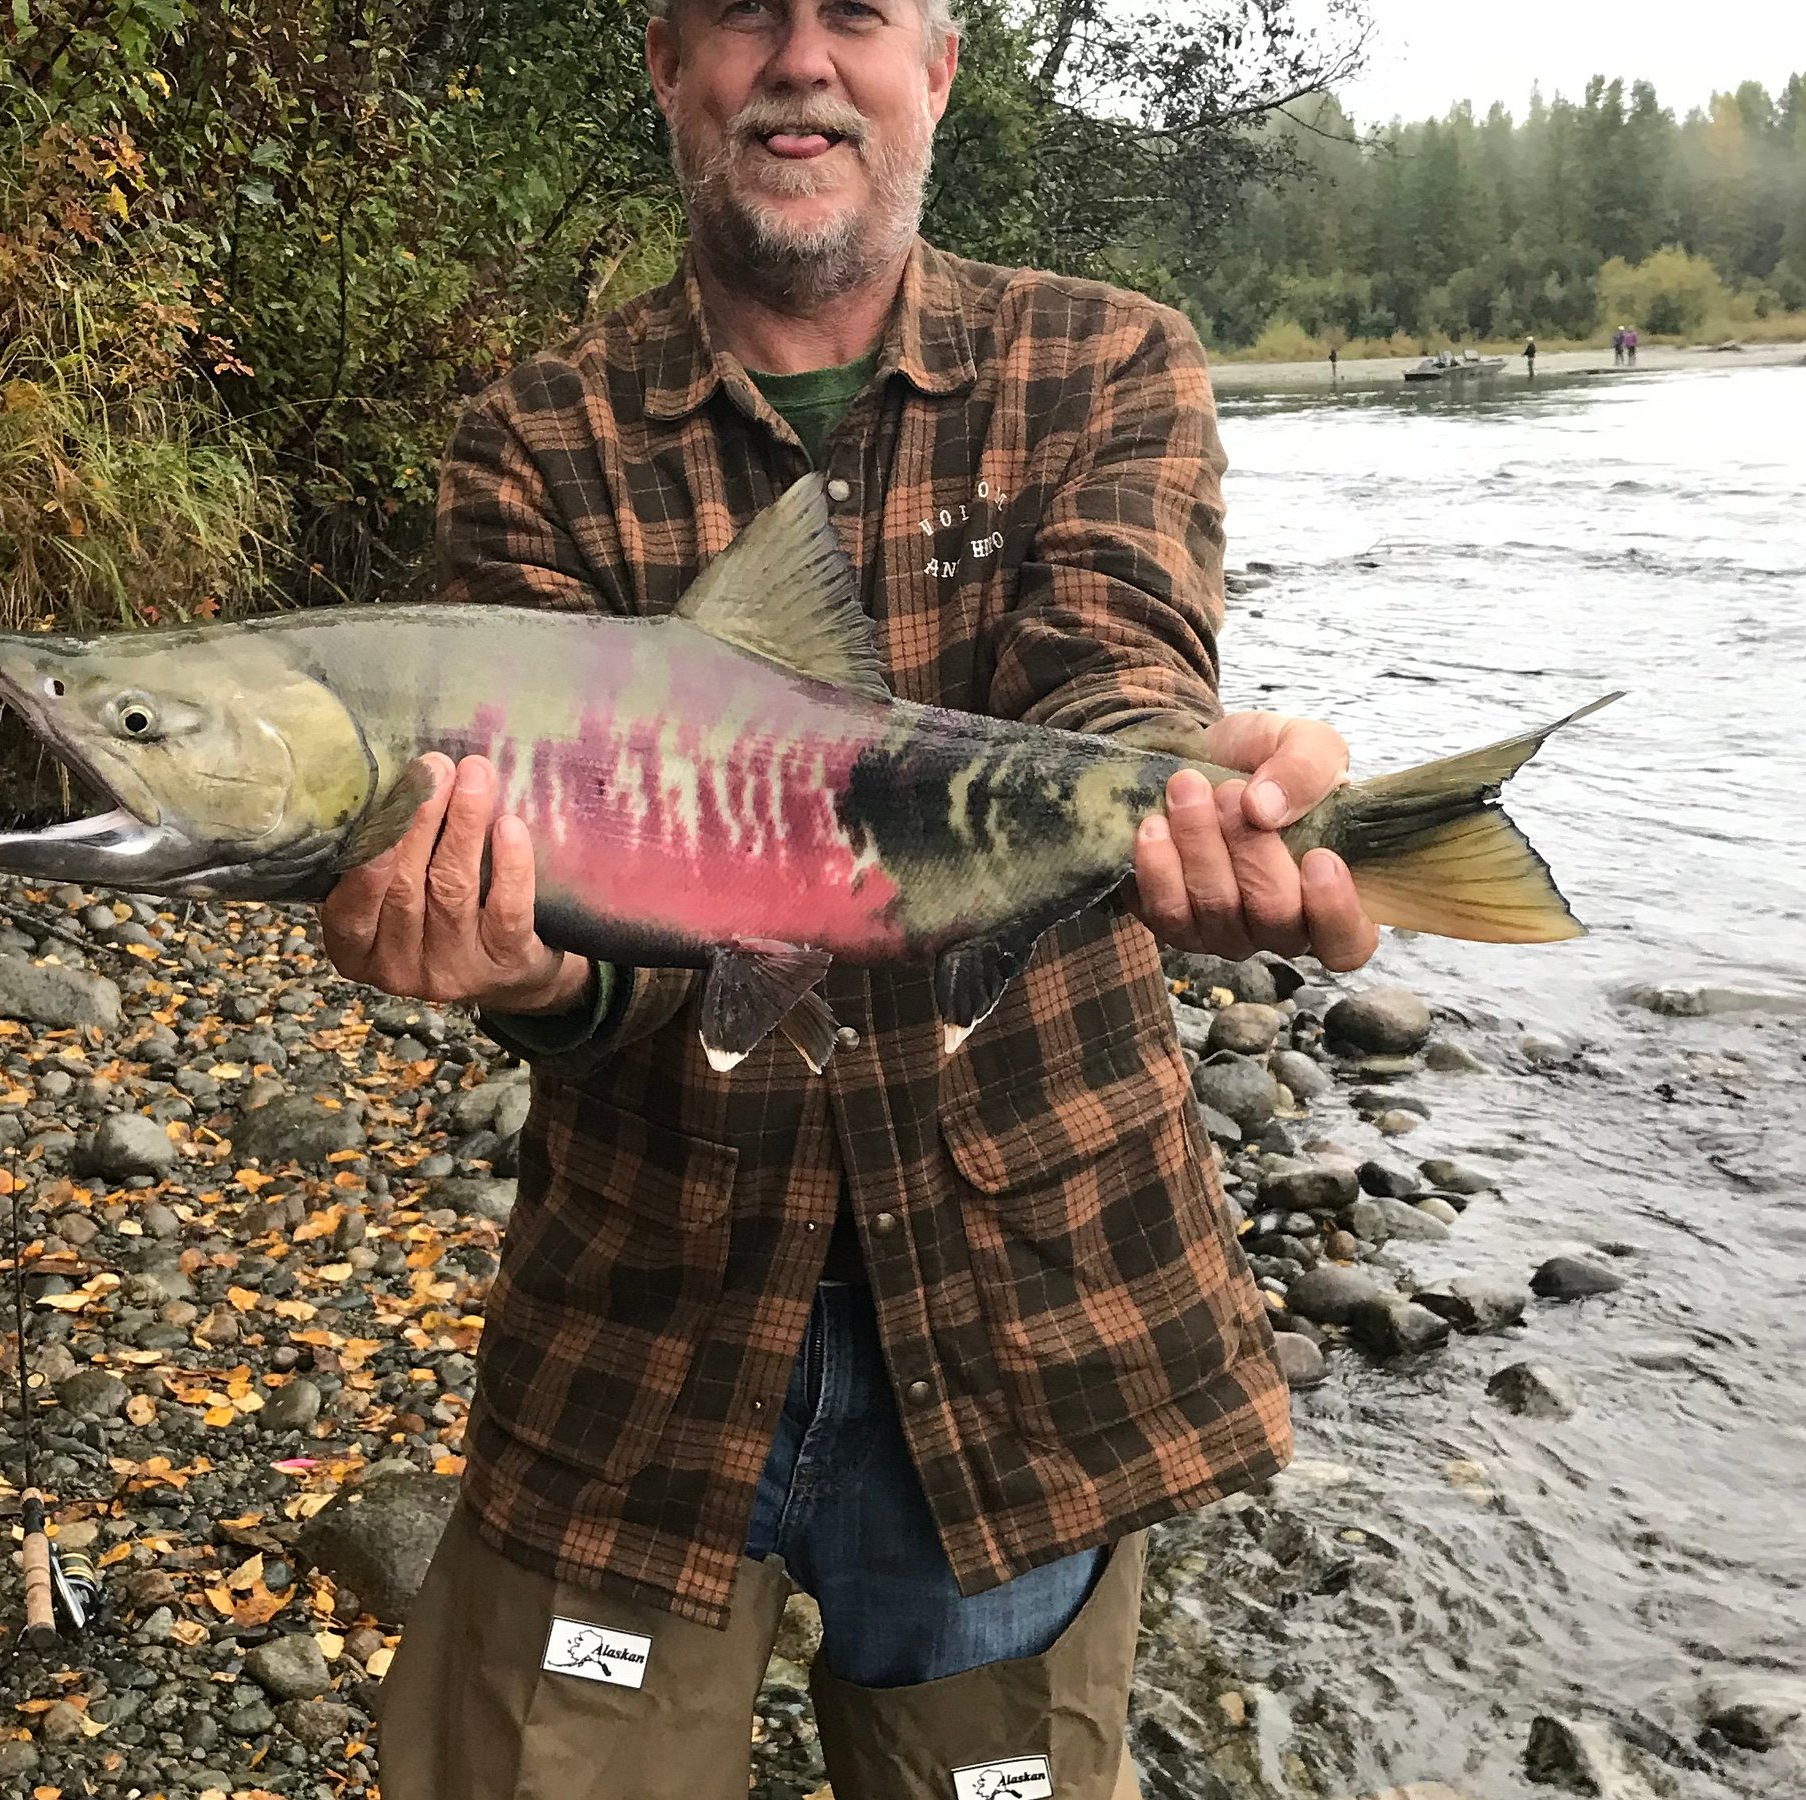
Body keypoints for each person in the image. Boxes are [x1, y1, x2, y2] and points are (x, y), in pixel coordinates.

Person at [317, 1, 1379, 1795]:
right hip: (638, 1331)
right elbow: (605, 940)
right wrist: (518, 971)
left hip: (1034, 1317)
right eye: (745, 12)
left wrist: (1191, 786)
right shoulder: (536, 438)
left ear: (939, 68)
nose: (800, 57)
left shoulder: (1107, 361)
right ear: (667, 65)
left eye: (857, 12)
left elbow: (1098, 680)